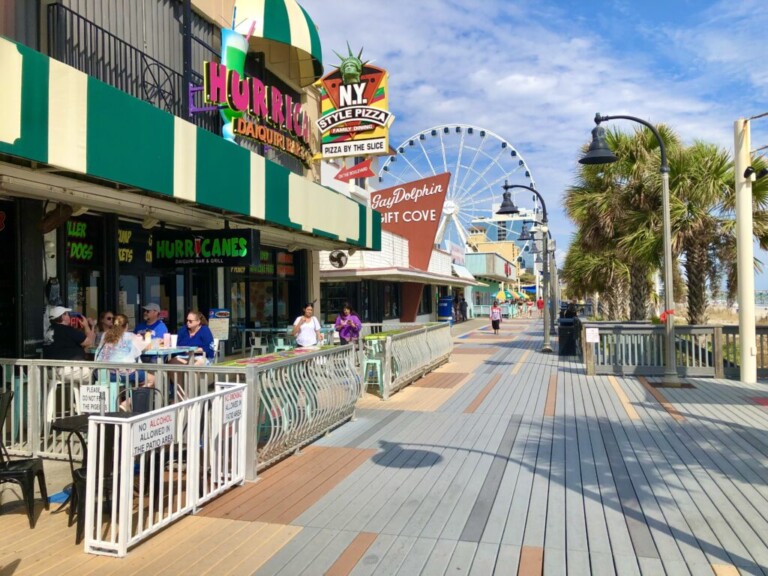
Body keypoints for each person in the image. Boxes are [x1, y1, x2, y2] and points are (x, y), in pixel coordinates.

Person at [95, 313, 154, 386]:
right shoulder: (130, 336)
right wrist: (146, 337)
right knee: (152, 379)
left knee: (134, 378)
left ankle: (126, 396)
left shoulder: (105, 335)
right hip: (122, 373)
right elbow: (147, 346)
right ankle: (134, 397)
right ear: (126, 326)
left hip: (101, 373)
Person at [43, 306, 95, 380]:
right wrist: (87, 326)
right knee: (96, 373)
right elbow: (89, 341)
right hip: (67, 370)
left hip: (50, 372)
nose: (69, 316)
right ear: (63, 317)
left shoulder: (49, 331)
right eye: (67, 314)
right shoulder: (68, 330)